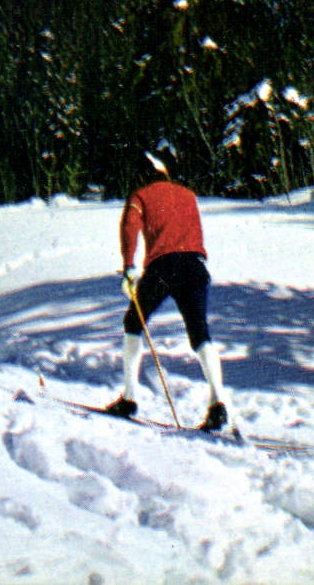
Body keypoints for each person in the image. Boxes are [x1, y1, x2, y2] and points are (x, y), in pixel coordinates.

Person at [105, 154, 230, 432]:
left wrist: (128, 267)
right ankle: (218, 403)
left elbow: (130, 228)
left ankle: (129, 398)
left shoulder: (141, 196)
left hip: (164, 265)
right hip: (196, 266)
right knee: (200, 332)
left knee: (133, 323)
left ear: (143, 176)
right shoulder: (187, 195)